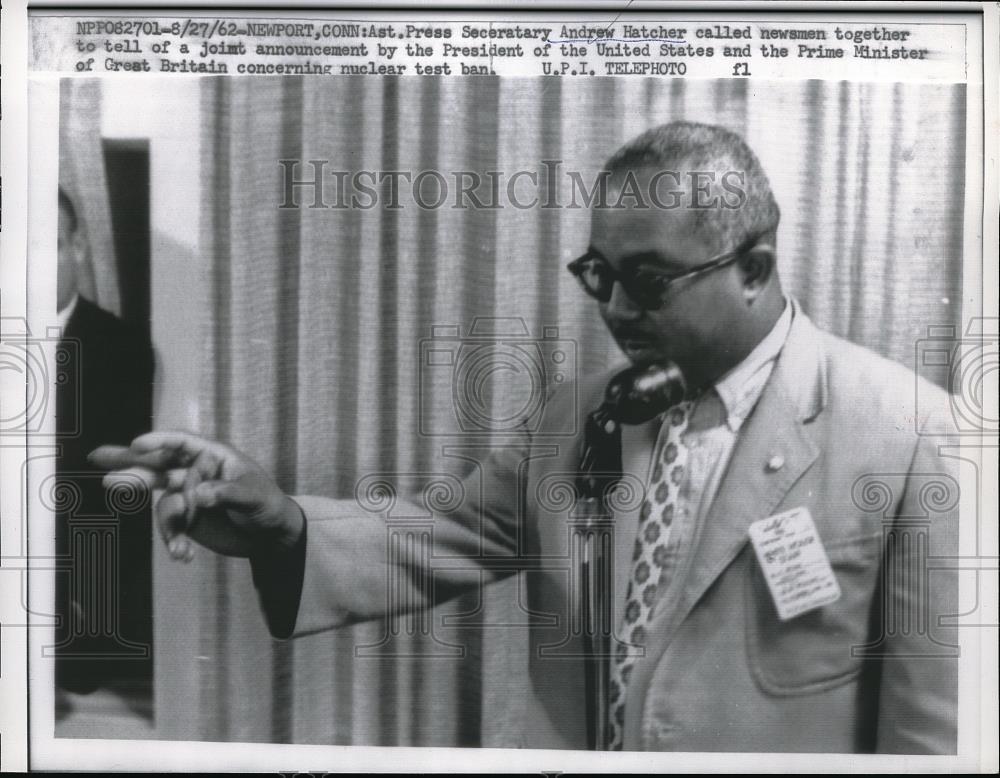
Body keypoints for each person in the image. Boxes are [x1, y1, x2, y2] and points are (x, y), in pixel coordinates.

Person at [91, 122, 959, 753]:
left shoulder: (909, 434)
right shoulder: (580, 417)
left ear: (755, 270)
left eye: (649, 281)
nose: (617, 311)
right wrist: (279, 520)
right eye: (601, 276)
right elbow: (444, 531)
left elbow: (936, 733)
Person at [55, 186, 155, 695]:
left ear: (77, 249)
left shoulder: (122, 348)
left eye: (45, 248)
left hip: (77, 605)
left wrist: (75, 600)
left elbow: (120, 497)